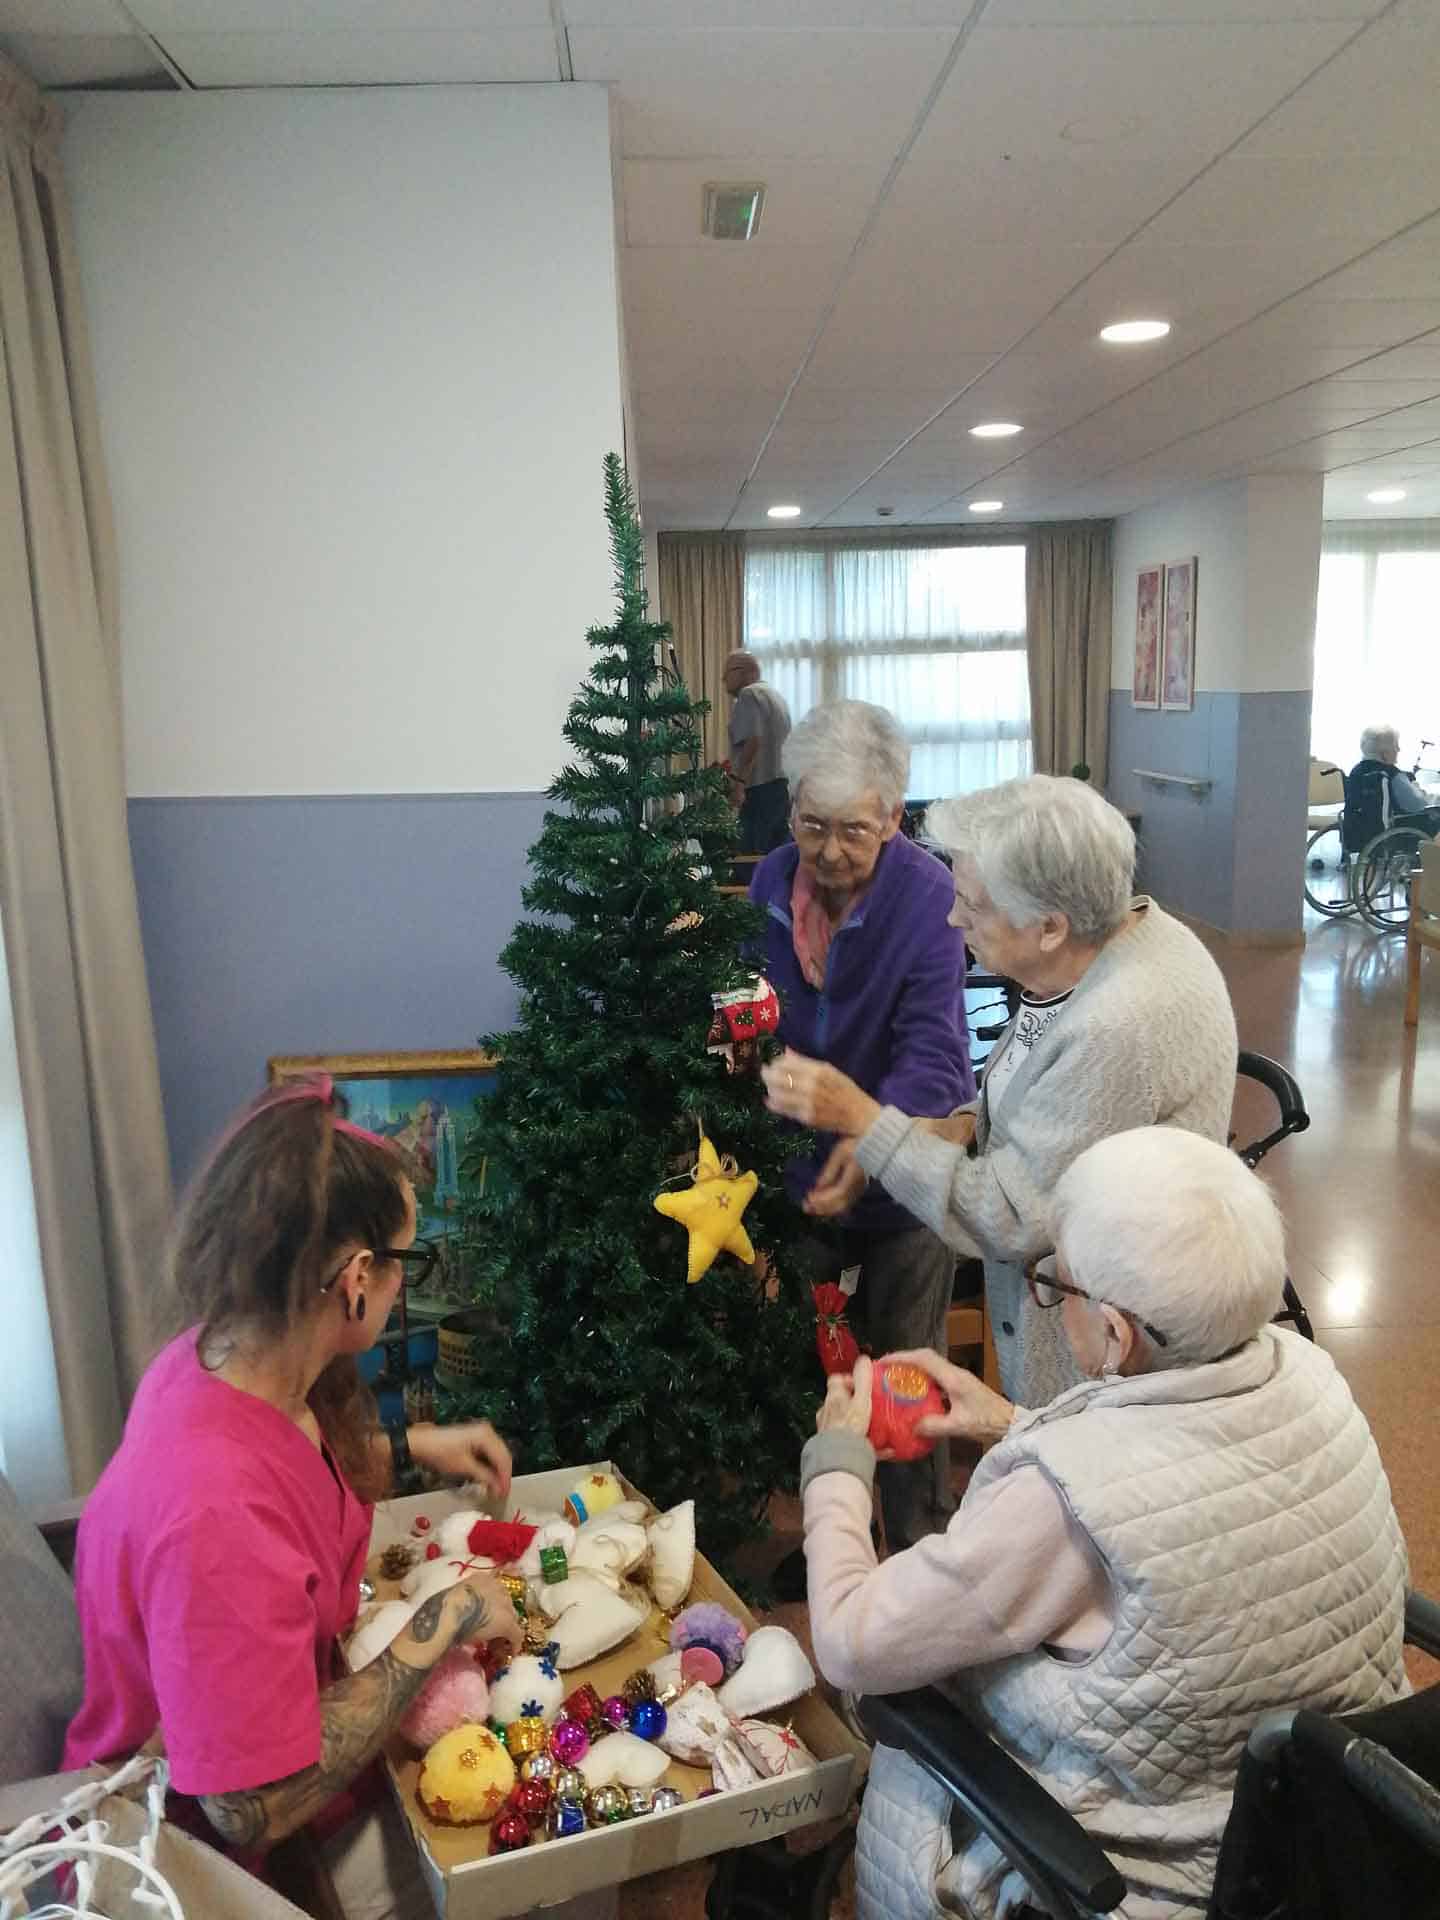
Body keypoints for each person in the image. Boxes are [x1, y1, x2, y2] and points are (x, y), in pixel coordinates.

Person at [801, 1128, 1409, 1920]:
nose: (1052, 1301)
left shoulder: (1057, 1507)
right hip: (1324, 1841)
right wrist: (1017, 1422)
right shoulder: (1315, 1380)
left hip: (1139, 1885)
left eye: (1057, 1285)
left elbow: (852, 1641)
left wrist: (838, 1467)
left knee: (898, 1728)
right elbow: (1178, 1487)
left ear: (1117, 1334)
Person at [63, 1077, 523, 1919]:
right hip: (199, 1861)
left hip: (239, 1774)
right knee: (514, 1859)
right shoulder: (214, 1508)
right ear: (356, 1278)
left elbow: (288, 1476)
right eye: (403, 1264)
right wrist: (443, 1620)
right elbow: (249, 1805)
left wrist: (415, 1446)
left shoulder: (220, 1356)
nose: (397, 1286)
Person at [763, 774, 1237, 1410]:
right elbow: (1025, 1091)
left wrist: (864, 1118)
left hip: (1107, 1365)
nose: (954, 916)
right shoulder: (1104, 946)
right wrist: (953, 1126)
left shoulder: (1117, 1026)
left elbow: (1010, 1216)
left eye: (973, 905)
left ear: (1048, 925)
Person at [750, 699, 973, 1551]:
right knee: (807, 1356)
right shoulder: (774, 881)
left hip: (902, 1178)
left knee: (907, 1372)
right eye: (813, 825)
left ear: (892, 813)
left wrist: (868, 1145)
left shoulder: (929, 897)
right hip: (799, 1178)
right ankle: (826, 1537)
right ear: (792, 805)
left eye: (854, 830)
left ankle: (921, 1548)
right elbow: (757, 1010)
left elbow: (935, 1060)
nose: (831, 851)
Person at [724, 648, 792, 853]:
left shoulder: (749, 694)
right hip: (779, 786)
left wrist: (738, 784)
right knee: (775, 853)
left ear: (746, 671)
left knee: (751, 858)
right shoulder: (775, 696)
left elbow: (753, 741)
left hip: (759, 789)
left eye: (727, 672)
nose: (723, 678)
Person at [1348, 723, 1440, 822]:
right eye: (1396, 746)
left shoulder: (1356, 771)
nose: (1399, 750)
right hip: (1398, 832)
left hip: (1359, 833)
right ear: (1385, 753)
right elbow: (1419, 805)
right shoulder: (1393, 775)